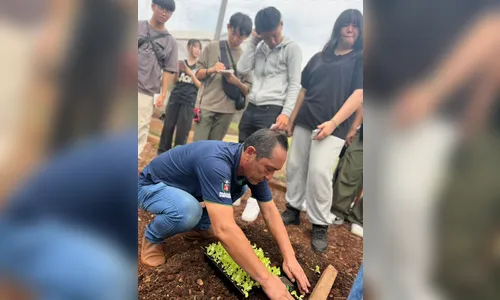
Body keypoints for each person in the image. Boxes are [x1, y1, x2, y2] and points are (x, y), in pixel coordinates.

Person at [139, 129, 311, 299]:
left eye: (275, 171)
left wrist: (290, 257)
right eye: (269, 168)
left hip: (183, 190)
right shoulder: (216, 163)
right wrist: (267, 280)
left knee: (239, 186)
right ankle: (153, 238)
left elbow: (270, 212)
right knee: (188, 210)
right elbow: (224, 229)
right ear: (251, 152)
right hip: (150, 186)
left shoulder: (250, 167)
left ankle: (200, 227)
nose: (269, 177)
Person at [280, 9, 363, 253]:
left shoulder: (359, 59)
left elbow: (359, 95)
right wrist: (292, 119)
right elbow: (303, 91)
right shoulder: (318, 57)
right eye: (347, 24)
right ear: (338, 27)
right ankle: (293, 209)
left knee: (319, 173)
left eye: (356, 26)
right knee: (295, 166)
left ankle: (319, 223)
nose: (351, 29)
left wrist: (334, 123)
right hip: (306, 120)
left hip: (333, 127)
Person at [235, 6, 302, 222]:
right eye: (266, 36)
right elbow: (242, 69)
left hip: (273, 108)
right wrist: (255, 41)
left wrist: (286, 113)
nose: (272, 41)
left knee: (264, 157)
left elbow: (295, 84)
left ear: (281, 25)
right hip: (253, 104)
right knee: (243, 149)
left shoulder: (291, 49)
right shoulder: (259, 46)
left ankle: (256, 200)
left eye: (274, 35)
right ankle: (236, 191)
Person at [192, 13, 252, 142]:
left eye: (241, 36)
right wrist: (211, 70)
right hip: (206, 107)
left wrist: (237, 82)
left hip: (227, 111)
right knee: (197, 147)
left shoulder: (245, 57)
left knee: (213, 149)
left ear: (247, 36)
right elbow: (197, 73)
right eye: (233, 33)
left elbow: (247, 89)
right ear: (228, 27)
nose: (235, 39)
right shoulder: (212, 47)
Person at [138, 0, 178, 159]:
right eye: (162, 8)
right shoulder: (138, 27)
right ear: (153, 6)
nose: (164, 13)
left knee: (140, 129)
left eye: (169, 11)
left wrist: (162, 94)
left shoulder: (170, 42)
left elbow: (169, 69)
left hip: (147, 91)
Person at [157, 39, 202, 154]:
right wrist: (177, 71)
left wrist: (190, 73)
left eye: (199, 48)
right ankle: (162, 154)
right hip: (175, 98)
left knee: (182, 132)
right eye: (195, 47)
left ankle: (177, 157)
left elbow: (200, 86)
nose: (198, 50)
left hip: (188, 102)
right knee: (168, 127)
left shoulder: (200, 67)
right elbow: (175, 81)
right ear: (189, 47)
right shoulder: (182, 62)